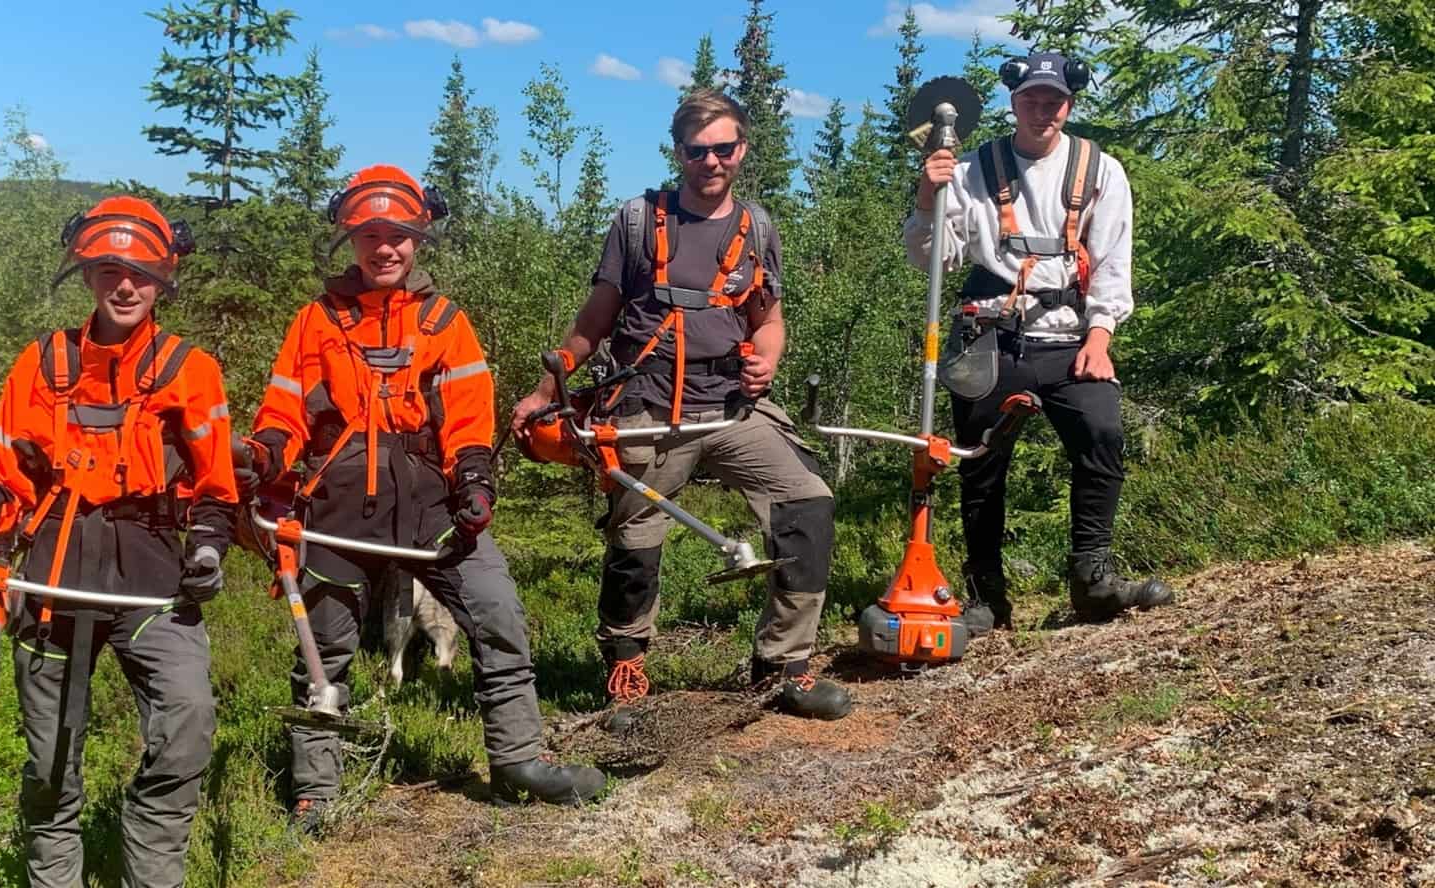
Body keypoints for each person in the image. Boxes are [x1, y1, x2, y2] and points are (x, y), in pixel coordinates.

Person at [235, 165, 606, 832]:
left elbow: (468, 416)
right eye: (372, 235)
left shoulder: (444, 323)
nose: (386, 248)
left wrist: (474, 480)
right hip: (338, 506)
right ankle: (316, 791)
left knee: (497, 610)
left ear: (419, 240)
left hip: (432, 504)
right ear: (352, 239)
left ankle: (518, 759)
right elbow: (283, 412)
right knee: (324, 646)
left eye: (399, 236)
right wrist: (265, 459)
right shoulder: (315, 322)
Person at [508, 90, 851, 720]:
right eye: (698, 151)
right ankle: (626, 668)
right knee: (635, 539)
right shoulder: (639, 220)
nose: (712, 162)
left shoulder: (758, 228)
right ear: (678, 153)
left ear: (743, 149)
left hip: (732, 407)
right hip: (649, 406)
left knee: (809, 503)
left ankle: (784, 666)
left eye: (724, 148)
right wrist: (547, 387)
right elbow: (596, 318)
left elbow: (768, 321)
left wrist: (767, 357)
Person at [0, 196, 234, 887]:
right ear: (87, 274)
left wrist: (209, 550)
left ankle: (151, 869)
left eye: (142, 272)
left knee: (187, 718)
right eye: (107, 269)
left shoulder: (191, 369)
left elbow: (215, 490)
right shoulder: (40, 366)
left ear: (165, 278)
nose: (125, 285)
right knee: (50, 761)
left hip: (154, 575)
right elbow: (4, 480)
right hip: (52, 574)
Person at [904, 51, 1174, 628]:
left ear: (1068, 105)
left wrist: (1100, 336)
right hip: (990, 334)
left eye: (1053, 101)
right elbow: (935, 261)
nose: (1042, 111)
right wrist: (928, 199)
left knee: (1102, 431)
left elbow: (1112, 264)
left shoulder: (1101, 171)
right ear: (1013, 103)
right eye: (1031, 100)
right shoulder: (973, 169)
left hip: (1070, 335)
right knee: (980, 461)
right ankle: (986, 597)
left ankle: (1091, 576)